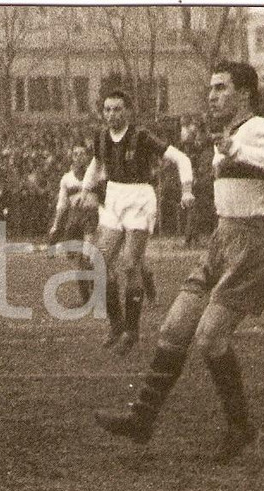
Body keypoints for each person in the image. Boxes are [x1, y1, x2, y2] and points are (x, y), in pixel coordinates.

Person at [93, 61, 264, 463]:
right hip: (220, 241)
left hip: (250, 246)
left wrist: (238, 149)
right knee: (173, 328)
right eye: (211, 88)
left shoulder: (255, 127)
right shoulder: (225, 135)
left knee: (210, 338)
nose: (212, 95)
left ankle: (240, 427)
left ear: (243, 92)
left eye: (221, 88)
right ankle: (142, 419)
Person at [74, 90, 195, 355]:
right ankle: (117, 325)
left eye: (117, 109)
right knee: (100, 263)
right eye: (107, 109)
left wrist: (187, 189)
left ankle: (132, 330)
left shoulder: (141, 136)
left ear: (127, 111)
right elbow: (96, 164)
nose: (111, 115)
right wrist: (85, 190)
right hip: (114, 196)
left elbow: (180, 158)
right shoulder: (101, 138)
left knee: (130, 265)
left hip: (139, 198)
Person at [48, 145, 98, 306]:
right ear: (72, 158)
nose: (79, 157)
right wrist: (56, 225)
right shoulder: (66, 179)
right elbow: (62, 204)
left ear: (87, 157)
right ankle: (86, 299)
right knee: (78, 261)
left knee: (87, 257)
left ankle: (95, 293)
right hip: (74, 219)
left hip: (91, 216)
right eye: (76, 154)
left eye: (82, 153)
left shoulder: (95, 175)